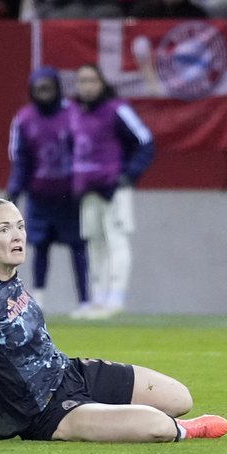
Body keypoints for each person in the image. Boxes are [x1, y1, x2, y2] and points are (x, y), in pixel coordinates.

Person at [0, 197, 227, 445]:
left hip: (69, 372)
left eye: (20, 226)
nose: (17, 236)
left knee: (179, 398)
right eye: (4, 229)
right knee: (161, 426)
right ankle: (182, 430)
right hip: (45, 414)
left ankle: (121, 417)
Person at [68, 64, 155, 319]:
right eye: (82, 81)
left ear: (102, 83)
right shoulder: (74, 112)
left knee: (116, 240)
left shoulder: (117, 109)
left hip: (114, 189)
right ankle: (98, 298)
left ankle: (116, 298)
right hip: (87, 190)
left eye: (91, 80)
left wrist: (129, 175)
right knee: (95, 243)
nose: (86, 86)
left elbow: (145, 140)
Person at [7, 69, 90, 314]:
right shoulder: (24, 119)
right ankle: (39, 298)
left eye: (48, 88)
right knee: (39, 246)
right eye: (39, 89)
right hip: (39, 196)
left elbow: (84, 150)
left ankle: (85, 301)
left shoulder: (72, 114)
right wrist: (14, 191)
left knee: (78, 246)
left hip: (70, 197)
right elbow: (20, 159)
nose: (44, 93)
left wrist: (83, 184)